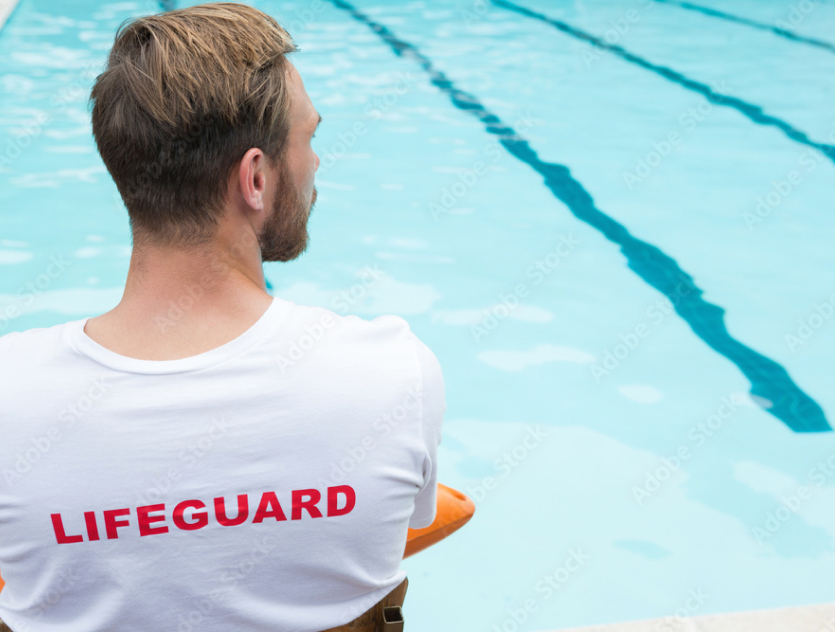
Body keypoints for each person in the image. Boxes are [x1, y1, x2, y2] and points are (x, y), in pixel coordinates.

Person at [0, 3, 445, 631]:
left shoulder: (11, 394)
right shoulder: (391, 373)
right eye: (309, 139)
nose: (316, 163)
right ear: (255, 177)